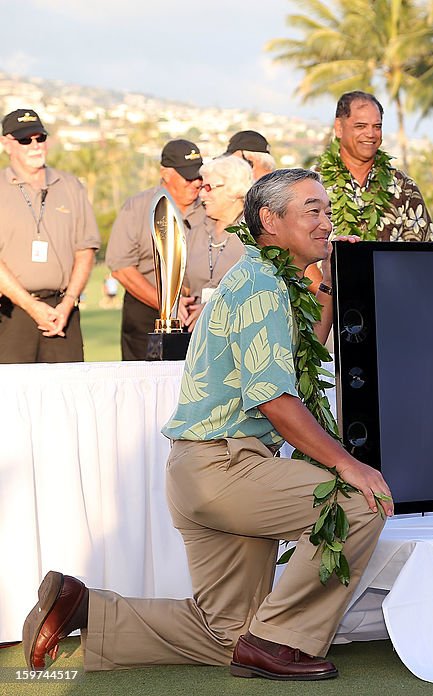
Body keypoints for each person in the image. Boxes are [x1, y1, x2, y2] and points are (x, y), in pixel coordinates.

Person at [22, 168, 393, 680]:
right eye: (314, 209)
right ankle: (280, 642)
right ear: (270, 220)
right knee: (359, 501)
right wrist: (351, 466)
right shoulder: (262, 287)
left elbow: (308, 354)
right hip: (227, 468)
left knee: (228, 637)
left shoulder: (265, 279)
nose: (326, 220)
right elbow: (278, 401)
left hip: (202, 471)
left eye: (327, 210)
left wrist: (330, 277)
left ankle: (84, 608)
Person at [0, 108, 99, 363]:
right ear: (6, 144)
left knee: (67, 396)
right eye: (24, 140)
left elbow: (85, 250)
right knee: (13, 398)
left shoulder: (71, 186)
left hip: (62, 311)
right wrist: (32, 307)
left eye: (39, 138)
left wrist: (67, 304)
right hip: (11, 313)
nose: (35, 146)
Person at [106, 139, 210, 360]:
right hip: (147, 310)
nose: (196, 183)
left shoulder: (209, 207)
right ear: (166, 173)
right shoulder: (137, 207)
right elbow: (120, 266)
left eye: (199, 176)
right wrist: (168, 306)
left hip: (197, 314)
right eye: (189, 177)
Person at [320, 90, 433, 243]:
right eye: (361, 126)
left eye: (377, 126)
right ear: (339, 128)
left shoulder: (403, 187)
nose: (371, 134)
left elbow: (425, 252)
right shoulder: (317, 185)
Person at [177, 155, 249, 329]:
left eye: (208, 187)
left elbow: (260, 290)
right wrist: (177, 302)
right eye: (202, 187)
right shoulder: (194, 230)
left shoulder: (255, 233)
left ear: (234, 190)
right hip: (195, 337)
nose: (201, 194)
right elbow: (185, 283)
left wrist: (214, 309)